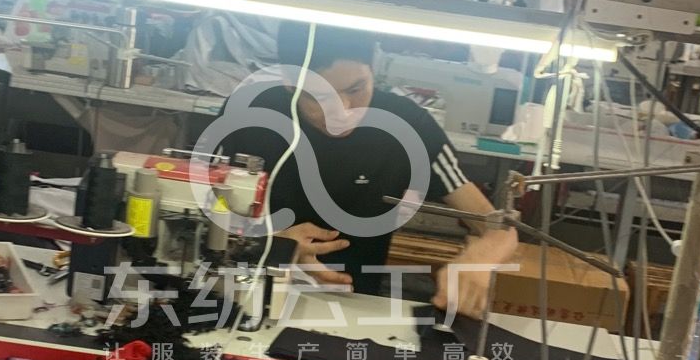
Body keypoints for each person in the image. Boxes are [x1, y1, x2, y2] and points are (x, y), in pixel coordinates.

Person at [205, 22, 517, 321]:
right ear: (289, 82)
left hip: (351, 306)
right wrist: (274, 244)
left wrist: (479, 259)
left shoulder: (408, 128)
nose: (343, 110)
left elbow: (499, 227)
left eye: (357, 88)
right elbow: (199, 213)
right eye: (321, 97)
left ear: (373, 71)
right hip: (242, 295)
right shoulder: (248, 114)